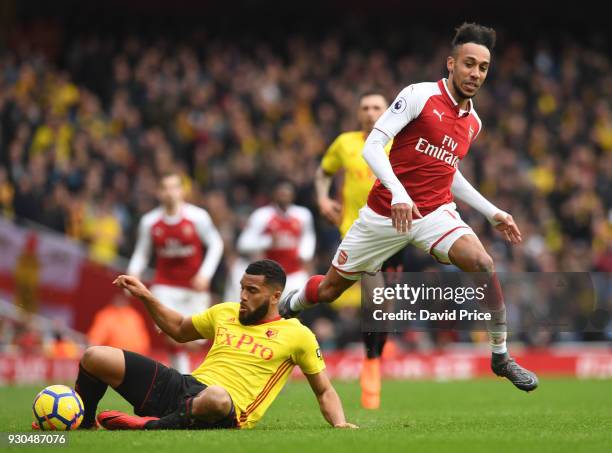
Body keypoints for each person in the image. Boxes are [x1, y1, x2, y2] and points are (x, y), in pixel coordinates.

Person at [280, 22, 538, 392]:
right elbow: (372, 146)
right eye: (469, 63)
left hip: (434, 213)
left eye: (482, 67)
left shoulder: (473, 122)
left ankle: (500, 356)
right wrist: (399, 193)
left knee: (483, 262)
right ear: (451, 63)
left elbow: (448, 172)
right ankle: (292, 303)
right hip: (383, 214)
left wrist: (490, 211)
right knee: (329, 291)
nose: (475, 73)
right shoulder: (418, 96)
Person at [48, 260, 357, 431]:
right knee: (94, 357)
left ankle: (150, 427)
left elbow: (324, 390)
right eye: (242, 288)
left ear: (275, 296)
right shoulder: (224, 312)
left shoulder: (297, 335)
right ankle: (86, 423)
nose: (243, 297)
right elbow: (180, 330)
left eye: (252, 291)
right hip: (183, 386)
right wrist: (145, 295)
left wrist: (340, 423)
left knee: (218, 397)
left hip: (225, 410)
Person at [315, 91, 398, 409]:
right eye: (364, 107)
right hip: (359, 233)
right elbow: (322, 172)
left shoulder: (399, 142)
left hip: (397, 233)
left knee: (384, 311)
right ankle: (371, 364)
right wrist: (323, 199)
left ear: (388, 110)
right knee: (374, 302)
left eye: (376, 107)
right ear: (357, 113)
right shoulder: (345, 143)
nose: (370, 112)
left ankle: (373, 358)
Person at [127, 172, 224, 373]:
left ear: (182, 191)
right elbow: (142, 253)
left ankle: (192, 375)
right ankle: (183, 380)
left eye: (174, 188)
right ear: (158, 192)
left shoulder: (197, 217)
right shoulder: (150, 221)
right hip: (165, 286)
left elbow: (216, 243)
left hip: (193, 287)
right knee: (171, 332)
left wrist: (205, 274)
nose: (170, 193)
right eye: (165, 188)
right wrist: (133, 273)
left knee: (193, 339)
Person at [236, 180, 315, 298]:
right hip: (269, 276)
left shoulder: (303, 215)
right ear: (274, 194)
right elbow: (243, 244)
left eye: (287, 193)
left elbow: (308, 236)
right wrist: (267, 241)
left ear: (293, 195)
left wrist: (305, 254)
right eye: (281, 193)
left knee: (295, 310)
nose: (284, 196)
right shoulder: (262, 215)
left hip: (295, 274)